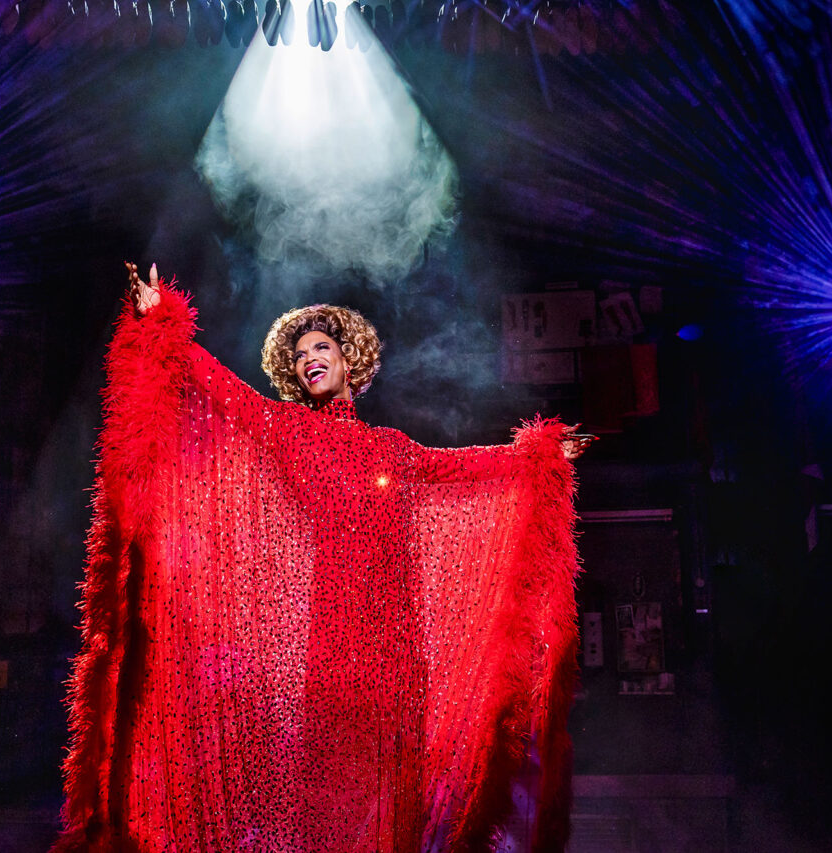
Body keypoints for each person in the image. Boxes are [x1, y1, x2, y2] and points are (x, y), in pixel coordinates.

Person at [54, 263, 589, 853]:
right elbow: (220, 389)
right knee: (329, 804)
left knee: (391, 811)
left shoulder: (392, 448)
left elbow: (470, 468)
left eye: (322, 347)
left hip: (395, 653)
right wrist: (162, 321)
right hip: (331, 646)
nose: (310, 357)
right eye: (301, 352)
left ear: (348, 361)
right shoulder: (286, 431)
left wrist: (540, 456)